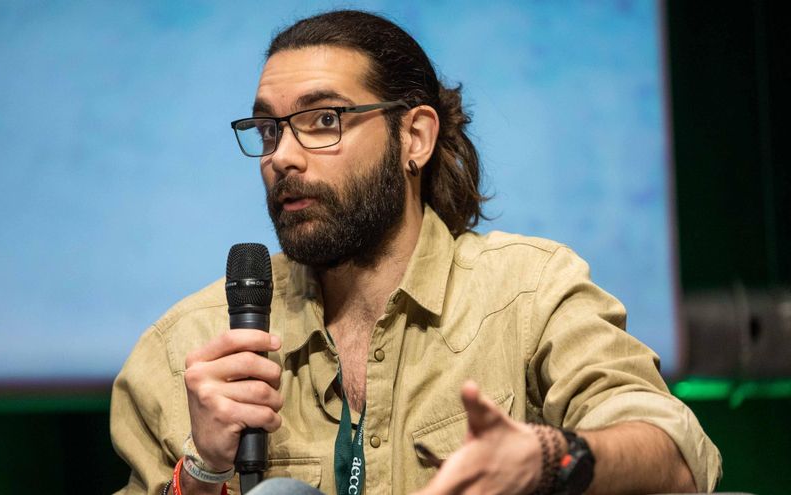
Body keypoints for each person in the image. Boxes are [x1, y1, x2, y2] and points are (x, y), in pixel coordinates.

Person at [110, 9, 721, 495]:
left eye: (323, 120)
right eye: (269, 128)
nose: (282, 157)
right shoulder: (186, 347)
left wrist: (542, 458)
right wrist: (204, 475)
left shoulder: (529, 294)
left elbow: (675, 455)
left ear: (416, 137)